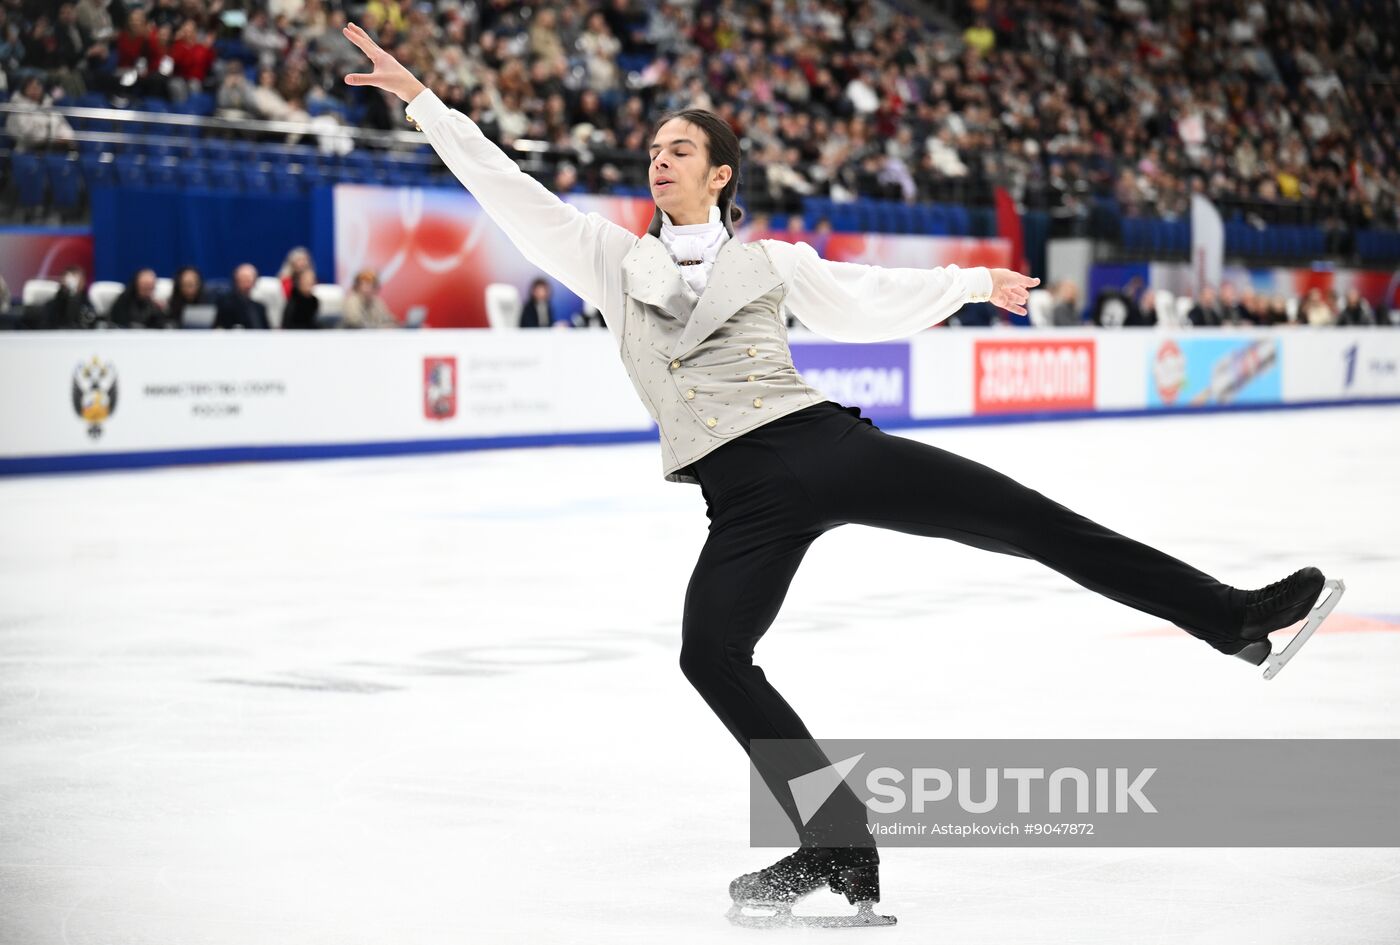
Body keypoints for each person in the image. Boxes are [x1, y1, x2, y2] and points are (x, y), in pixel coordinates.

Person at [343, 21, 1341, 927]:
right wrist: (425, 102)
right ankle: (838, 839)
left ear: (719, 174)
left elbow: (867, 296)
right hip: (739, 496)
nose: (657, 159)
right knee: (708, 653)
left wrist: (969, 282)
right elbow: (510, 192)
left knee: (1030, 520)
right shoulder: (609, 260)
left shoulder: (770, 262)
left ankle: (1231, 618)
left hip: (823, 445)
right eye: (651, 149)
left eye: (678, 149)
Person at [214, 263, 270, 329]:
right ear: (236, 280)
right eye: (243, 279)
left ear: (255, 281)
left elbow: (267, 330)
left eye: (249, 279)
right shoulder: (226, 303)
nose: (246, 283)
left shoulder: (259, 307)